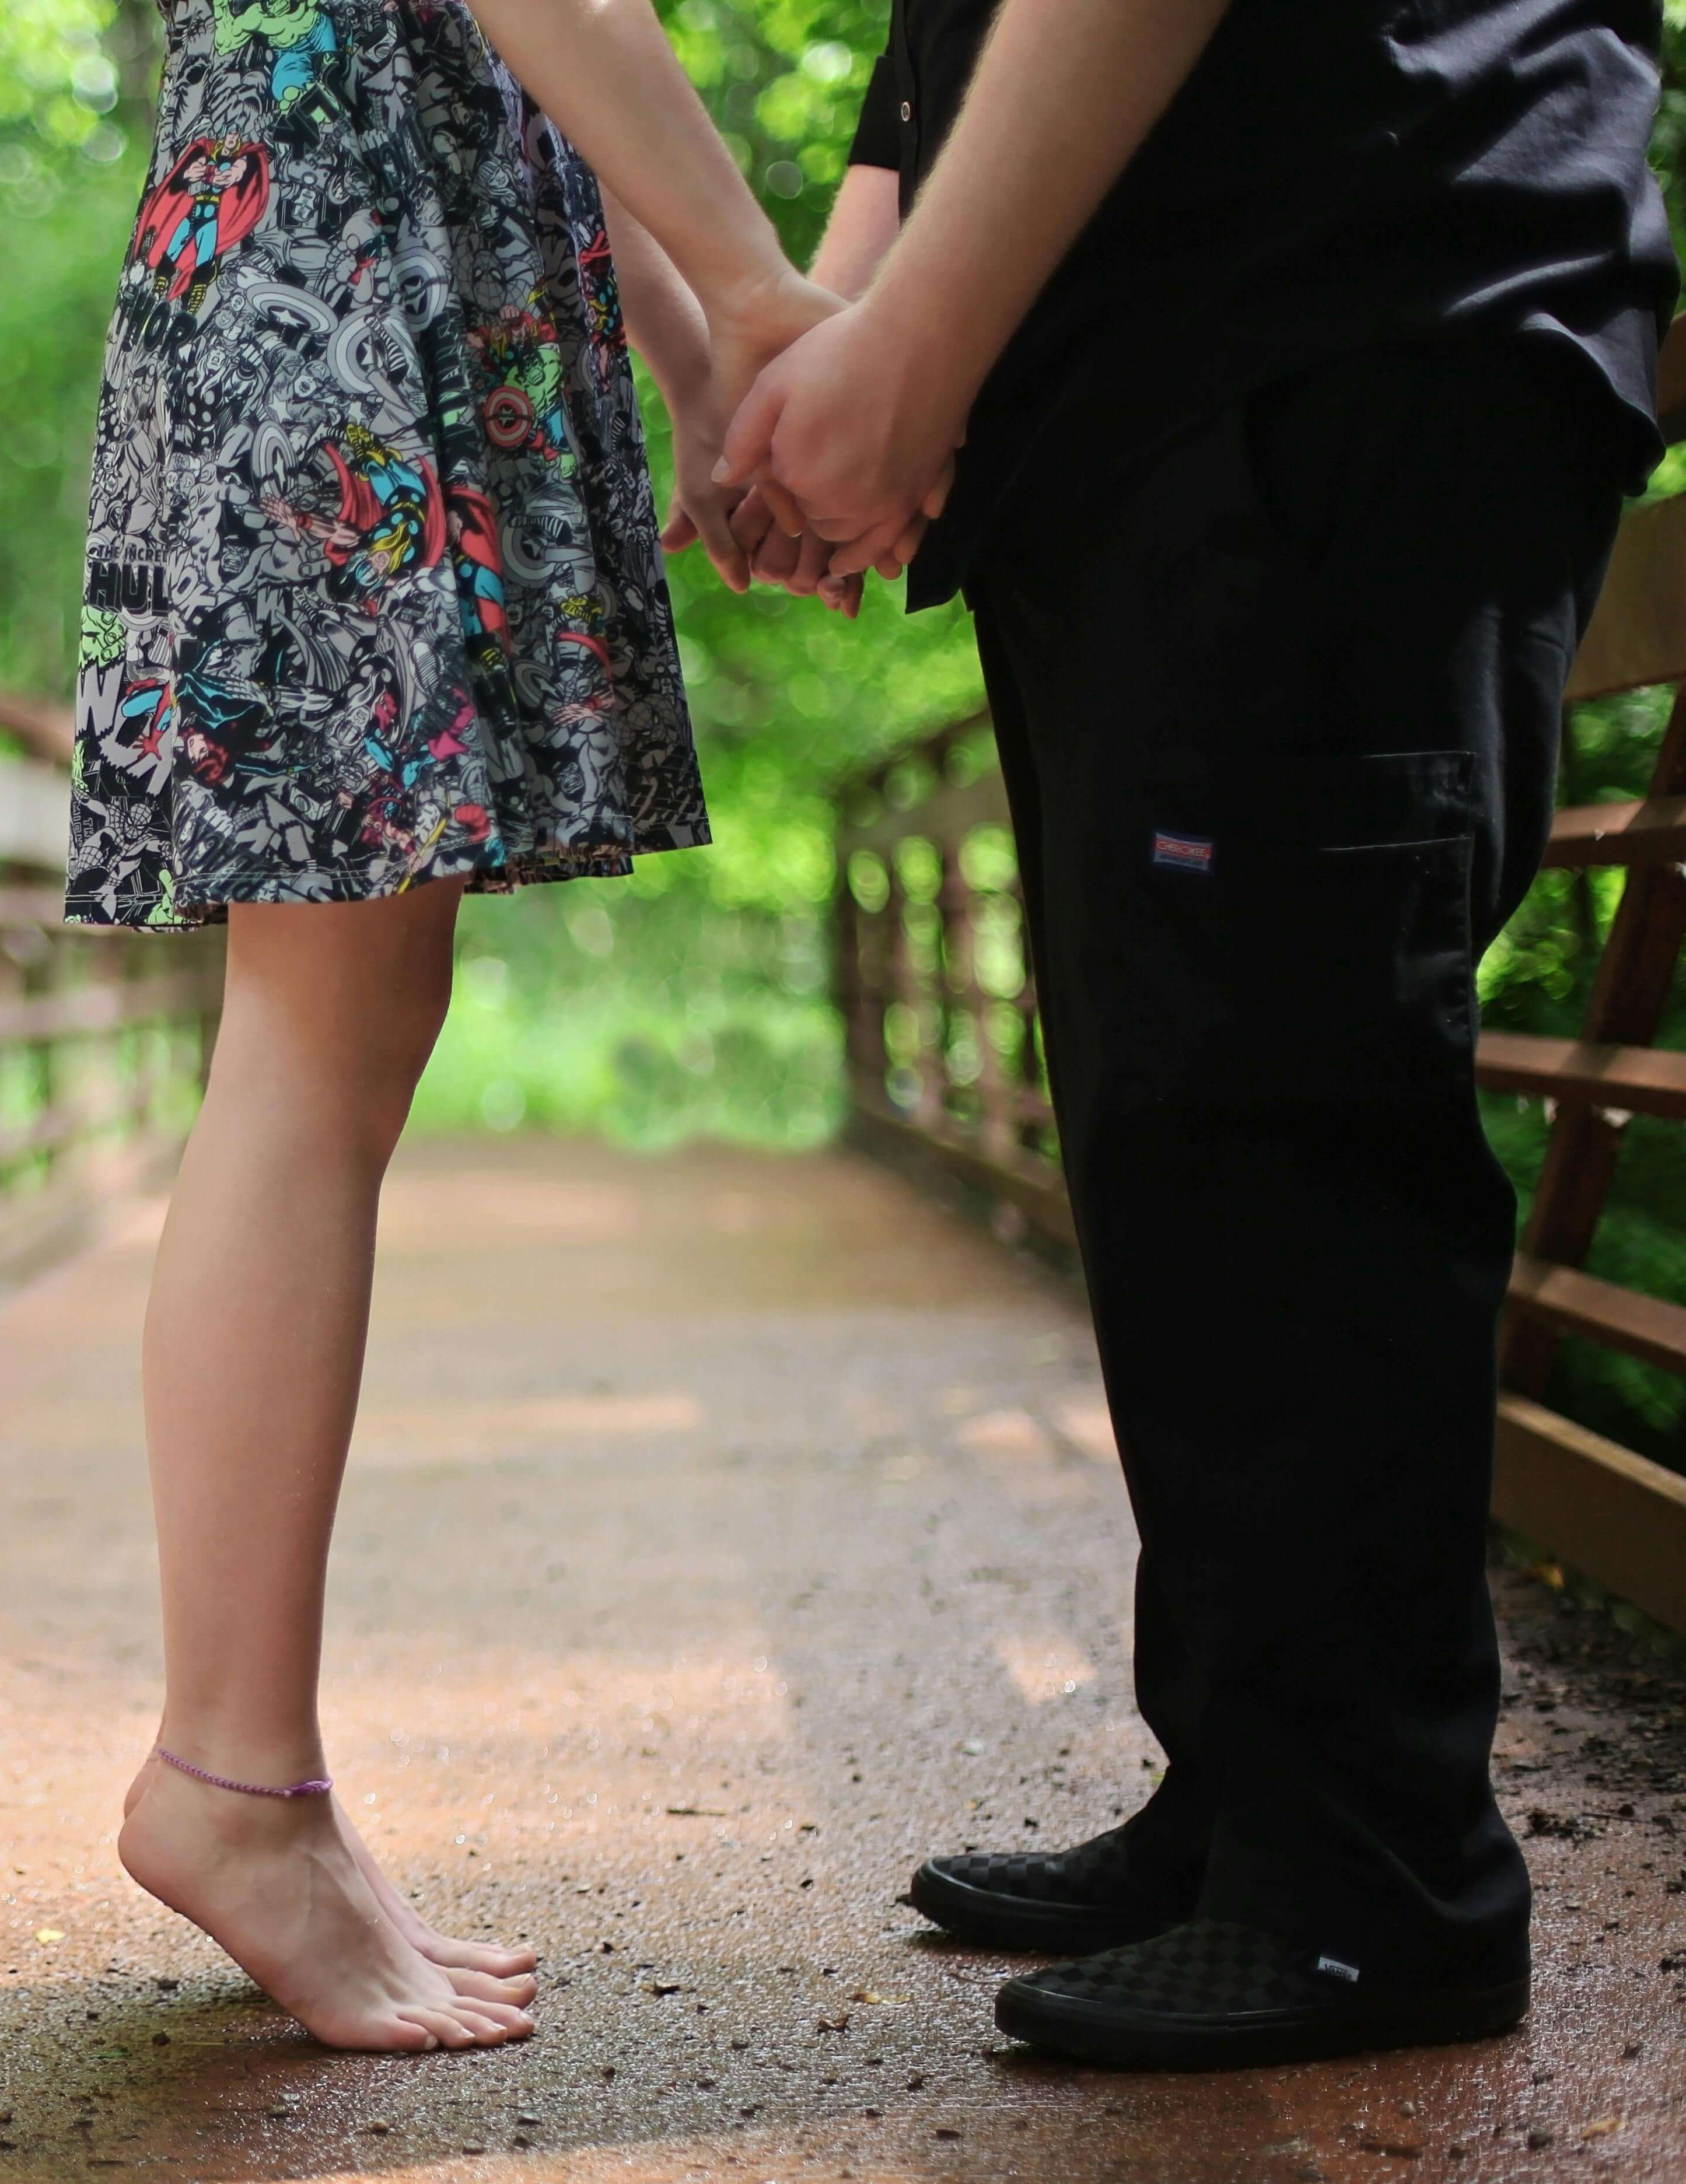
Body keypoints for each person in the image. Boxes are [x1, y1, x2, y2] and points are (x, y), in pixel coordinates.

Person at [725, 0, 1674, 2069]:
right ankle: (1255, 1800)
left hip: (1356, 304)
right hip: (1135, 382)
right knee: (1179, 1123)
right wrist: (840, 340)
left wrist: (907, 347)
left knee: (1288, 1103)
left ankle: (1374, 1885)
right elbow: (938, 56)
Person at [68, 0, 835, 2051]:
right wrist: (758, 306)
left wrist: (700, 354)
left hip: (372, 257)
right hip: (344, 273)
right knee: (314, 1037)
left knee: (347, 1024)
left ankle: (254, 1779)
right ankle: (233, 1781)